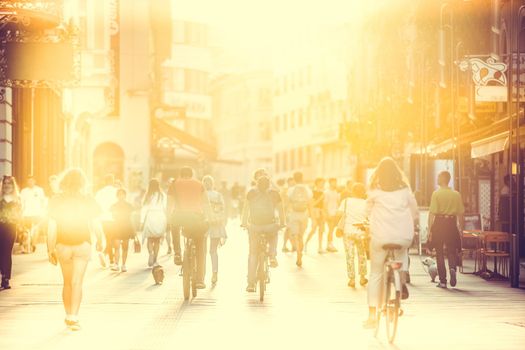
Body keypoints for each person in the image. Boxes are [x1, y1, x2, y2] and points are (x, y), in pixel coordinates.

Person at [364, 157, 418, 328]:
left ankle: (372, 315)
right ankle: (400, 283)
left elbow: (366, 212)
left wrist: (366, 224)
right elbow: (415, 213)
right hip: (403, 238)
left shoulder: (374, 191)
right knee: (401, 259)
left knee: (376, 273)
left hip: (380, 238)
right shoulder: (405, 191)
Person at [47, 168, 104, 330]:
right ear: (82, 183)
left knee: (67, 283)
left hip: (63, 243)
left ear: (63, 182)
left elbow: (52, 226)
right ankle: (74, 316)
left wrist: (50, 248)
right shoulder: (88, 199)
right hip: (83, 243)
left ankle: (67, 315)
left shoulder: (56, 200)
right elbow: (95, 223)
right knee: (77, 282)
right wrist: (100, 239)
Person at [242, 175, 285, 292]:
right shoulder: (274, 194)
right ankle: (272, 255)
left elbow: (246, 209)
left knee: (253, 254)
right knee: (274, 234)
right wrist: (282, 223)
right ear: (269, 184)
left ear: (257, 184)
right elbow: (281, 210)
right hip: (270, 225)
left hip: (255, 226)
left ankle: (250, 284)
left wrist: (244, 223)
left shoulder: (251, 193)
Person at [171, 166, 211, 289]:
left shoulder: (174, 184)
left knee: (174, 226)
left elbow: (169, 205)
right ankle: (200, 280)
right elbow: (206, 203)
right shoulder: (199, 184)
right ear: (191, 175)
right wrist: (208, 218)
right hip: (196, 218)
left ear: (180, 174)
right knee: (200, 247)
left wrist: (168, 218)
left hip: (180, 217)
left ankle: (177, 252)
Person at [428, 171, 464, 289]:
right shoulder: (456, 194)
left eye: (438, 177)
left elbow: (432, 213)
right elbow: (461, 214)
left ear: (442, 179)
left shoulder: (436, 194)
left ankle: (443, 281)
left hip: (439, 223)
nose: (437, 179)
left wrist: (429, 230)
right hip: (451, 223)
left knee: (439, 252)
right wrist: (461, 229)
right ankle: (452, 268)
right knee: (451, 250)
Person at [337, 182, 368, 288]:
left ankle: (352, 279)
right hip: (361, 232)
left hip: (348, 231)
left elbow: (339, 214)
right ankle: (363, 278)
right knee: (362, 255)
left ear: (352, 191)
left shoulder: (346, 201)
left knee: (349, 255)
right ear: (363, 192)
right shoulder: (366, 203)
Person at [203, 175, 227, 285]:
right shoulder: (218, 195)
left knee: (202, 251)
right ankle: (214, 273)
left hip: (202, 224)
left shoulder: (201, 195)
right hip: (216, 224)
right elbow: (223, 210)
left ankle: (201, 274)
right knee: (213, 251)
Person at [287, 172, 313, 267]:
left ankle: (298, 252)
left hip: (294, 214)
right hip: (304, 214)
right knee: (301, 236)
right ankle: (300, 254)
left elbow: (288, 203)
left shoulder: (291, 189)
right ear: (302, 178)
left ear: (294, 179)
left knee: (296, 236)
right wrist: (312, 218)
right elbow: (310, 204)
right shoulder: (307, 189)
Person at [0, 175, 22, 290]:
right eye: (5, 183)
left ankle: (5, 278)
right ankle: (2, 274)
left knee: (7, 253)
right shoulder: (0, 198)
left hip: (11, 228)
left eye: (9, 183)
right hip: (0, 227)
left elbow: (20, 214)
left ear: (13, 186)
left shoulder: (17, 199)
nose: (7, 185)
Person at [141, 179, 167, 268]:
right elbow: (165, 207)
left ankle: (151, 253)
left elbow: (144, 209)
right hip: (160, 216)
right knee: (157, 240)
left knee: (150, 239)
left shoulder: (148, 195)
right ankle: (155, 260)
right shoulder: (162, 195)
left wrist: (141, 221)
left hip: (150, 216)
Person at [95, 174, 118, 268]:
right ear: (112, 181)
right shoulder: (116, 191)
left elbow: (96, 206)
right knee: (112, 238)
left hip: (103, 218)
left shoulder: (100, 192)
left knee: (108, 237)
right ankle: (111, 260)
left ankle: (105, 254)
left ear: (105, 181)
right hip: (114, 218)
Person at [110, 188, 135, 272]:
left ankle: (123, 265)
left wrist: (133, 230)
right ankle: (116, 264)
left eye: (122, 194)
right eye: (119, 194)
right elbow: (113, 216)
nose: (121, 196)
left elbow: (131, 217)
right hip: (117, 226)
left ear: (125, 195)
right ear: (117, 196)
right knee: (116, 246)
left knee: (125, 247)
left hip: (126, 227)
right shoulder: (114, 206)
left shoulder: (129, 206)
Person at [20, 175, 47, 253]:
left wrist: (43, 211)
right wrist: (21, 212)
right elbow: (21, 203)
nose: (30, 182)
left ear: (35, 181)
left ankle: (33, 245)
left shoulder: (40, 190)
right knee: (26, 231)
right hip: (26, 214)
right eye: (29, 180)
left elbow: (43, 201)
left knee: (36, 230)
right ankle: (25, 246)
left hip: (37, 213)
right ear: (27, 182)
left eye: (32, 180)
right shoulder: (24, 191)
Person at [305, 178, 325, 253]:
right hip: (315, 212)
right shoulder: (312, 192)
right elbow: (311, 205)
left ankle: (320, 247)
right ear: (317, 183)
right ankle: (305, 244)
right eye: (321, 183)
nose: (323, 184)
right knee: (313, 229)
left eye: (323, 183)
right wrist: (320, 198)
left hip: (321, 212)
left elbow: (323, 204)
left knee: (321, 230)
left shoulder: (323, 192)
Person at [323, 177, 340, 252]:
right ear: (330, 183)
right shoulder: (326, 192)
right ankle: (329, 245)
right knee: (330, 229)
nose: (335, 184)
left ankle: (329, 244)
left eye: (335, 182)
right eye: (333, 182)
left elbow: (337, 203)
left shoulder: (336, 192)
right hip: (329, 213)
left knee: (332, 229)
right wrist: (327, 214)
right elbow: (325, 204)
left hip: (335, 213)